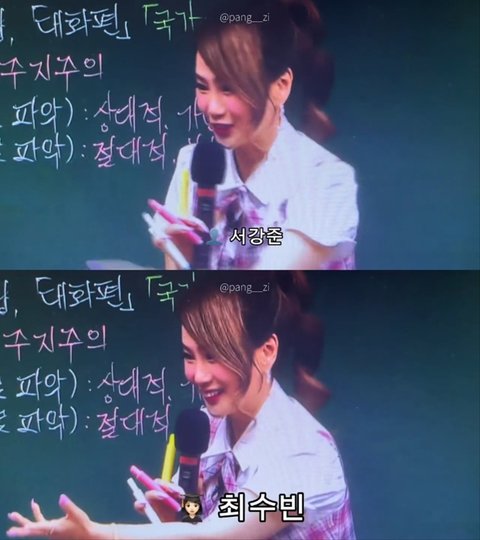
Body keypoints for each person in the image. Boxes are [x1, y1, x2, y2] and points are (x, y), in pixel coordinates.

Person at [7, 271, 355, 539]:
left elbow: (213, 535)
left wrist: (100, 533)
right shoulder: (210, 424)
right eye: (190, 356)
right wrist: (182, 512)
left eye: (215, 355)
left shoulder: (301, 456)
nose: (197, 375)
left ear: (266, 352)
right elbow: (200, 520)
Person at [152, 0, 358, 270]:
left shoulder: (326, 178)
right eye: (203, 87)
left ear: (281, 86)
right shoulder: (193, 164)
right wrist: (182, 255)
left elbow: (274, 272)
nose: (212, 107)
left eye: (230, 88)